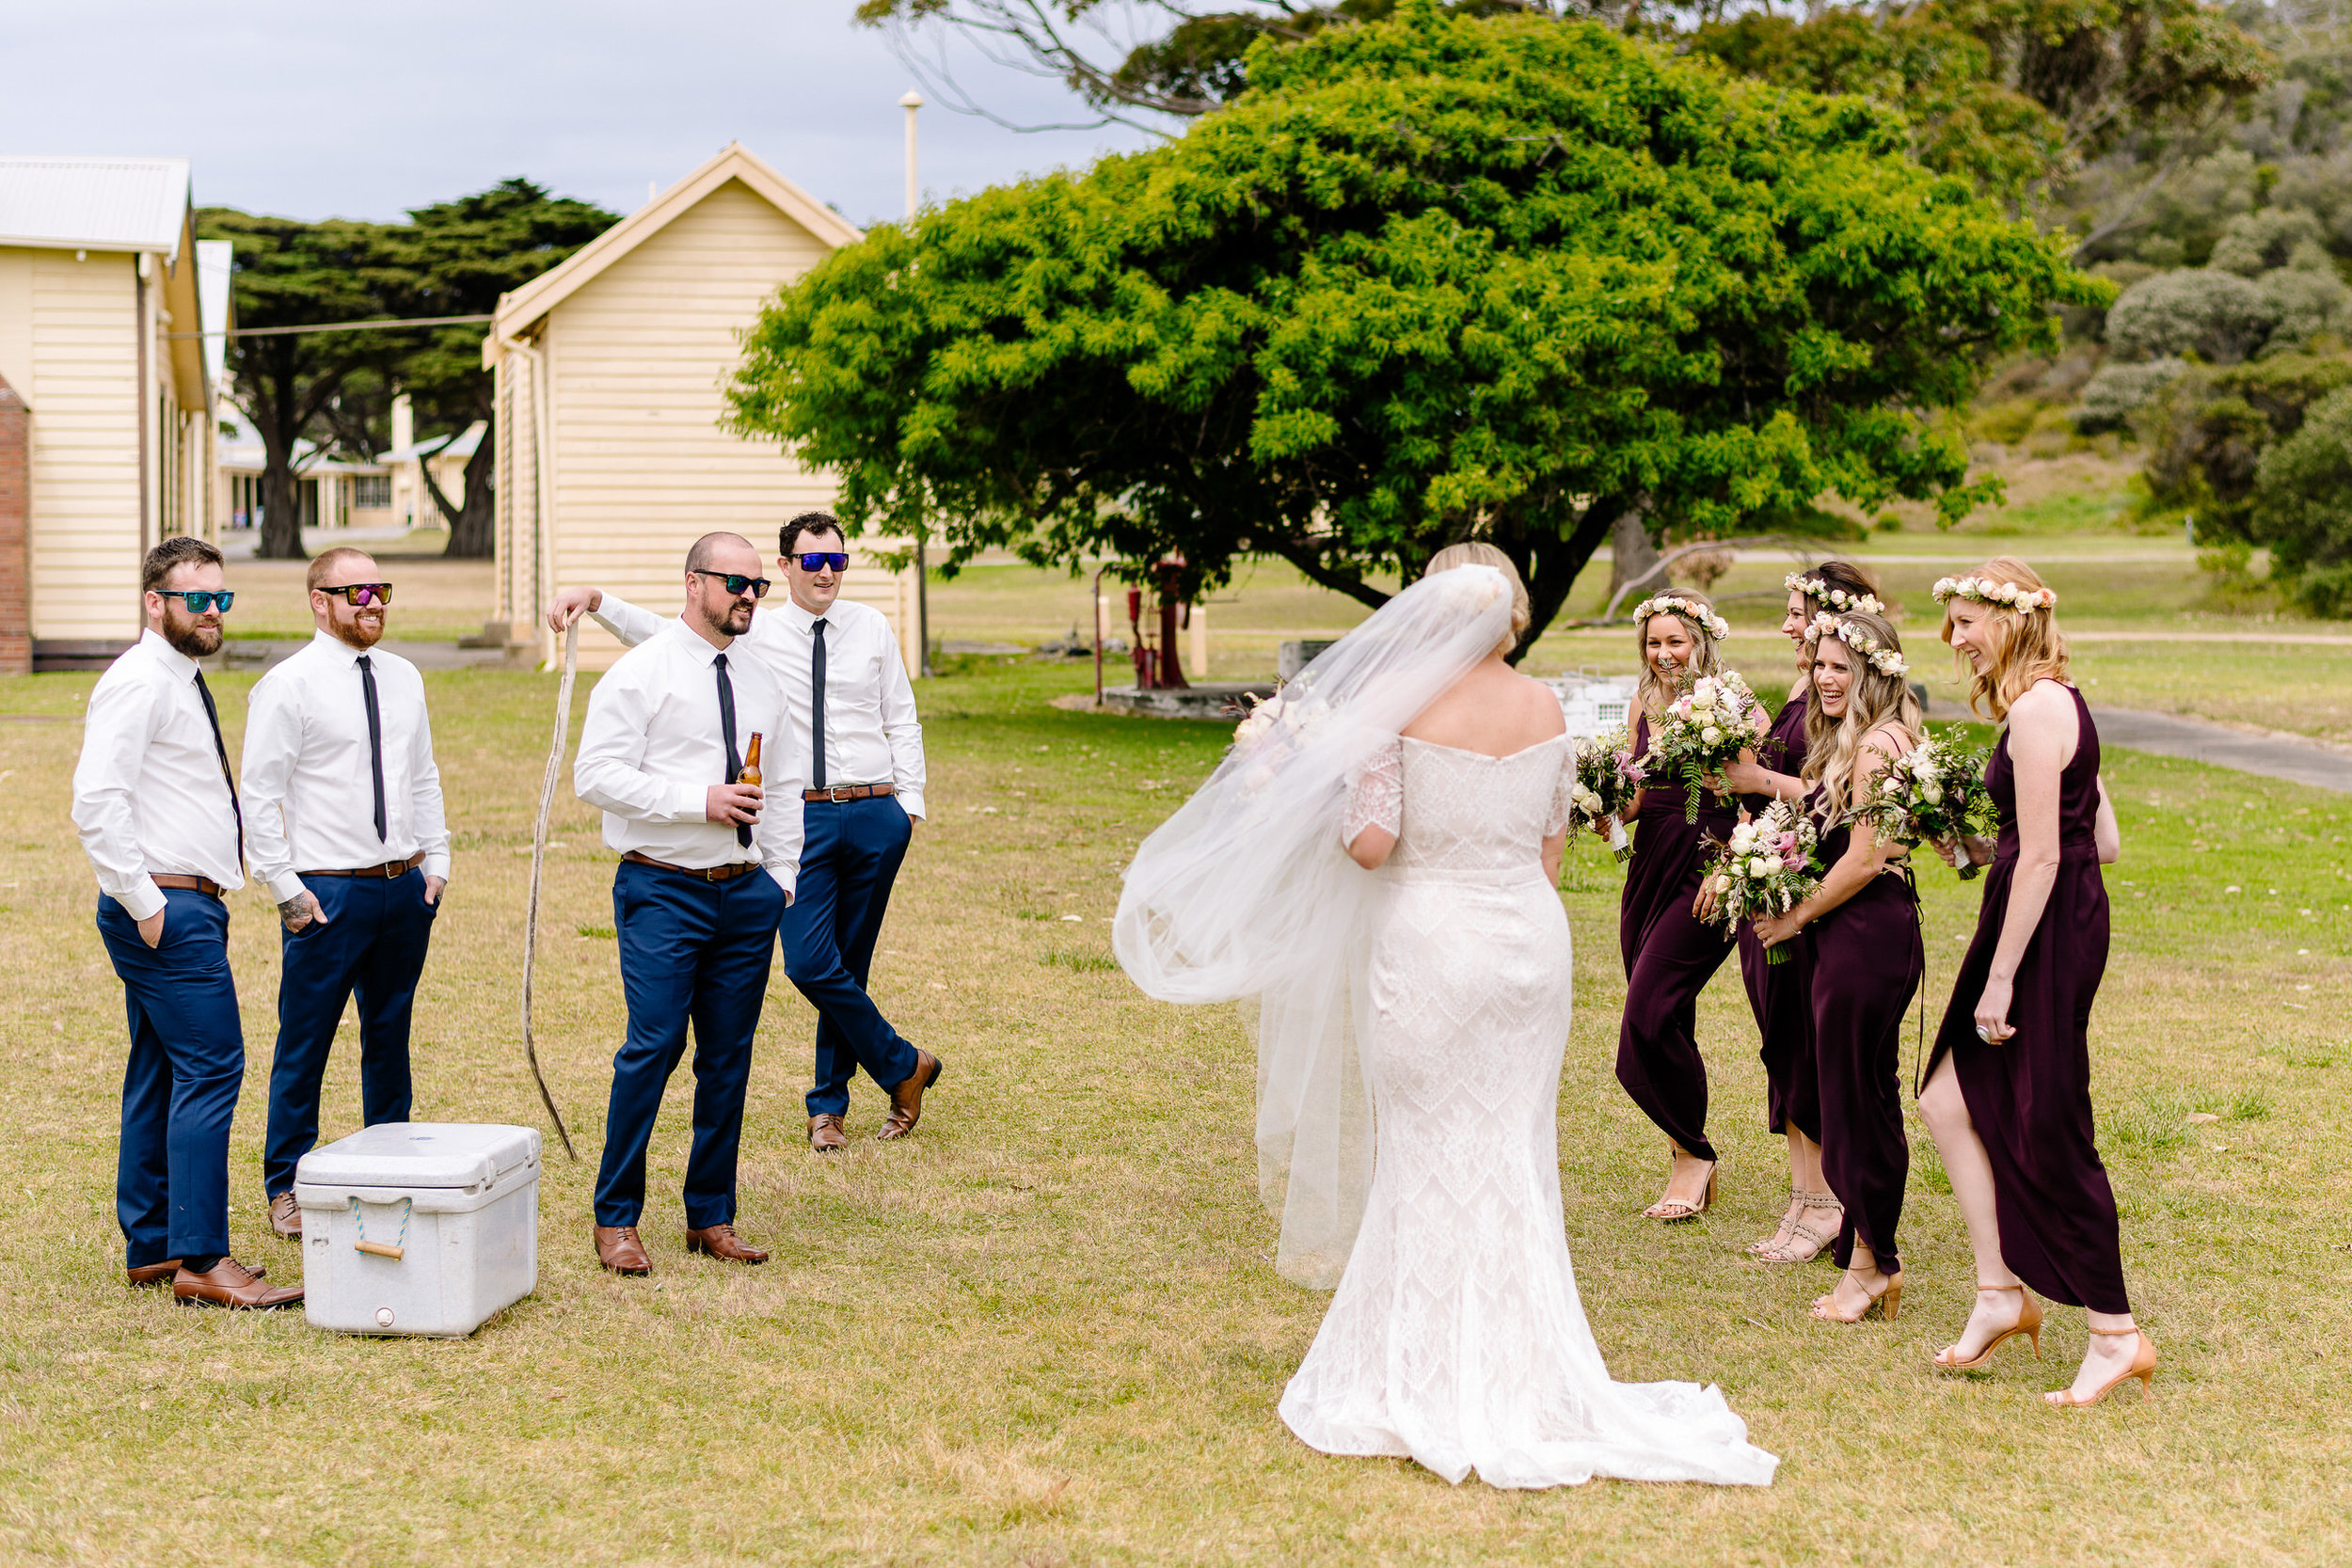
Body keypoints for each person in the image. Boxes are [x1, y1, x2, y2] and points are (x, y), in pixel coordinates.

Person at [1115, 545, 1777, 1489]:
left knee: (1427, 1146)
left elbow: (1374, 846)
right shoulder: (1546, 706)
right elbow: (1547, 851)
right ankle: (1518, 1362)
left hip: (1429, 941)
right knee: (1511, 1147)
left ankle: (1420, 1366)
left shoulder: (1397, 707)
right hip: (1526, 947)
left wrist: (1302, 779)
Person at [548, 510, 936, 1152]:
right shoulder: (754, 631)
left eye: (837, 561)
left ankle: (829, 1104)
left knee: (851, 960)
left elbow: (902, 712)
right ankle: (903, 1063)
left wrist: (909, 802)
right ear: (785, 568)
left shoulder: (871, 626)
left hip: (874, 810)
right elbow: (667, 635)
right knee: (812, 961)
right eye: (813, 561)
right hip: (796, 813)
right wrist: (596, 601)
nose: (826, 573)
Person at [1917, 558, 2145, 1406]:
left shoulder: (2039, 708)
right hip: (2043, 905)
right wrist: (1988, 851)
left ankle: (2115, 1331)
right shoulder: (2057, 701)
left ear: (2011, 620)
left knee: (2049, 1120)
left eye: (1967, 620)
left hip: (2043, 932)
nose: (1956, 637)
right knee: (1944, 1096)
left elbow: (2052, 852)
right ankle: (1998, 1292)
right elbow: (2102, 837)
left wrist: (2001, 978)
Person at [70, 537, 300, 1308]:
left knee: (161, 1067)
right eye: (194, 597)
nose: (210, 611)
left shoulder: (180, 677)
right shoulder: (139, 682)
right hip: (168, 908)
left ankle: (154, 1243)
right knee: (212, 1068)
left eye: (220, 598)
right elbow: (97, 801)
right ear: (153, 602)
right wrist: (149, 905)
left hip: (188, 901)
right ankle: (202, 1256)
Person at [572, 533, 803, 1275]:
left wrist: (784, 876)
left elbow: (789, 785)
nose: (749, 595)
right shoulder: (641, 672)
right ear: (693, 582)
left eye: (758, 586)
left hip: (746, 897)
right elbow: (595, 775)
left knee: (728, 1057)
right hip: (662, 887)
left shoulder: (763, 677)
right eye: (737, 581)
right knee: (654, 1047)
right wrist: (696, 801)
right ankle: (616, 1218)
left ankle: (711, 1214)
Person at [242, 547, 451, 1240]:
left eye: (381, 589)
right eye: (355, 590)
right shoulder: (288, 684)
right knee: (306, 1042)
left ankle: (388, 1172)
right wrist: (286, 890)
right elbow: (258, 794)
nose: (372, 602)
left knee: (390, 1037)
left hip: (402, 887)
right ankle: (287, 1185)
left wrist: (437, 861)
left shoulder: (405, 676)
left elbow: (421, 773)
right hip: (327, 894)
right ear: (318, 600)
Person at [1749, 610, 1922, 1324]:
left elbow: (1865, 856)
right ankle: (1868, 1254)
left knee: (1856, 1104)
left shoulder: (1879, 744)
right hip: (1858, 933)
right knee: (1864, 1097)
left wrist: (1792, 917)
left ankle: (1870, 1265)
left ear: (1872, 672)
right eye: (1818, 664)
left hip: (1864, 934)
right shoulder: (1867, 738)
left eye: (1839, 667)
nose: (1823, 676)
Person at [1715, 562, 1884, 1262]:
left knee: (1804, 1046)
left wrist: (1759, 780)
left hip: (1809, 893)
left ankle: (1828, 1201)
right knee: (1779, 1043)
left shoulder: (1852, 703)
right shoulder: (1800, 689)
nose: (1787, 624)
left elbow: (1832, 789)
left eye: (1796, 613)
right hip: (1769, 881)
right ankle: (1802, 1195)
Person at [1613, 588, 1753, 1221]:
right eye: (1654, 642)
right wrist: (1605, 800)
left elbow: (1756, 793)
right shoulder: (1645, 698)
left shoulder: (1733, 698)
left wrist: (1730, 866)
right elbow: (1641, 789)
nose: (1665, 653)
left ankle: (1697, 1154)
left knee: (1647, 1013)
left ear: (1702, 641)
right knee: (1670, 1017)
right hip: (1649, 863)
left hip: (1707, 867)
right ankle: (1685, 1162)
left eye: (1677, 641)